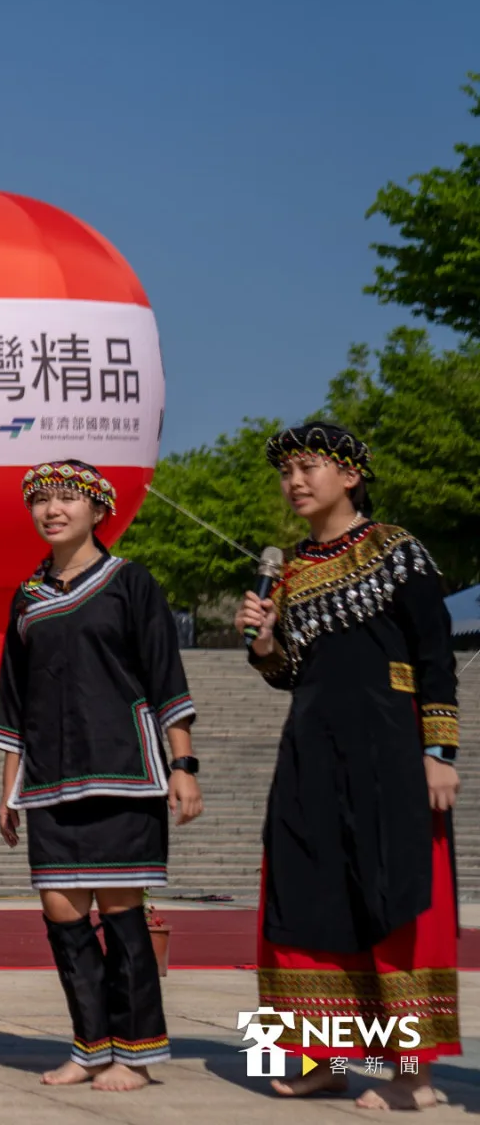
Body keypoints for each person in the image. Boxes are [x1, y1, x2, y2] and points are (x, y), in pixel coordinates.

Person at [235, 424, 461, 1111]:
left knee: (397, 898)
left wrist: (439, 752)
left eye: (309, 468)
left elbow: (436, 656)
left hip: (391, 748)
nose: (295, 482)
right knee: (298, 895)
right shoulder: (294, 568)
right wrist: (267, 641)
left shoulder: (399, 550)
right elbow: (287, 673)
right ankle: (315, 1060)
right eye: (287, 473)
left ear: (351, 476)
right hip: (309, 750)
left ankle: (415, 1075)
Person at [0, 460, 203, 1091]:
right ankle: (89, 1046)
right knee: (60, 910)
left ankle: (134, 1052)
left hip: (124, 773)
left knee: (119, 907)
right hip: (49, 777)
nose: (53, 510)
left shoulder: (130, 583)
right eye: (42, 501)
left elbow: (167, 678)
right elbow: (11, 701)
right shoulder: (27, 598)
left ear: (98, 510)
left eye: (67, 499)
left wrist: (183, 766)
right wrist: (8, 790)